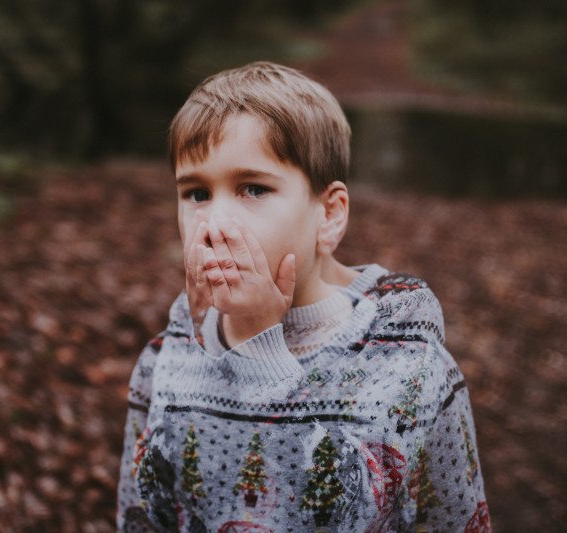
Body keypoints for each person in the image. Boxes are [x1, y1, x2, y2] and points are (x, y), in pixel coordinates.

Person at [117, 61, 489, 532]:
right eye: (196, 193)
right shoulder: (166, 359)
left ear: (329, 215)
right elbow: (142, 513)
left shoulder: (410, 370)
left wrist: (261, 349)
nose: (214, 225)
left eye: (253, 188)